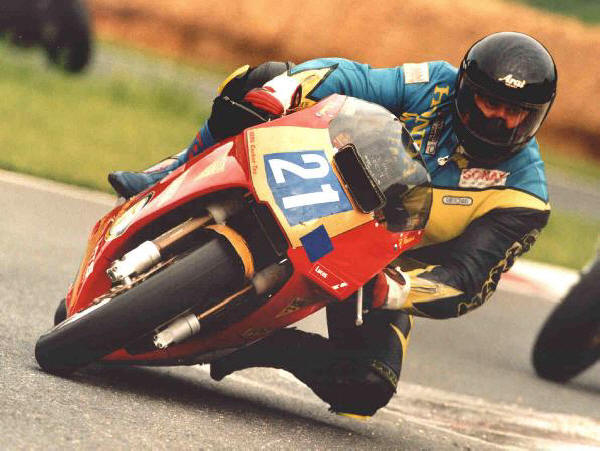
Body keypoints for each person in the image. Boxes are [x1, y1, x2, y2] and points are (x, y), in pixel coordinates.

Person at [109, 31, 557, 417]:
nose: (501, 120)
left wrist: (393, 290)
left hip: (377, 268)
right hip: (325, 185)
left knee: (367, 385)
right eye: (491, 102)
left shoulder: (524, 196)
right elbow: (352, 76)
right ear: (464, 89)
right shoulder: (433, 84)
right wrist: (286, 88)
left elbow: (468, 280)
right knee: (261, 78)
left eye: (518, 111)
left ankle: (248, 343)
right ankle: (166, 177)